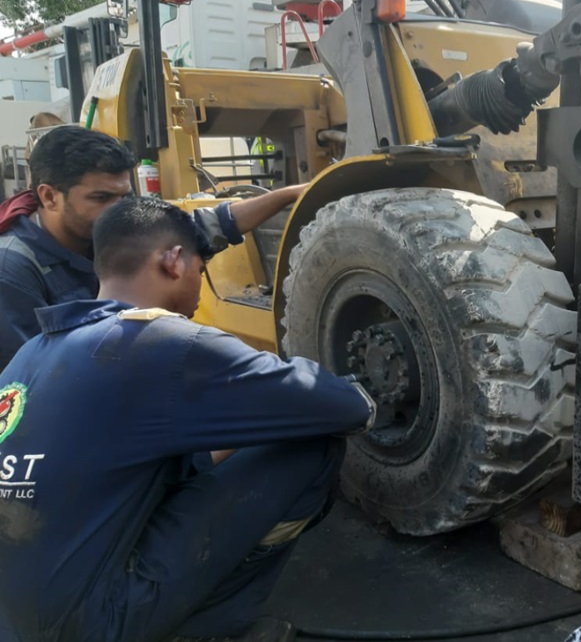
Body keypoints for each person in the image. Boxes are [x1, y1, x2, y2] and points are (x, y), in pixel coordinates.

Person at [0, 196, 376, 642]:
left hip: (13, 621)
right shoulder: (158, 340)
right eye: (201, 268)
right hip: (92, 626)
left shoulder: (34, 352)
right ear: (174, 261)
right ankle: (213, 625)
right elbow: (344, 408)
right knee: (313, 448)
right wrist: (354, 389)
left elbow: (155, 460)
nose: (200, 285)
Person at [0, 125, 307, 369]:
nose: (119, 209)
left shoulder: (107, 229)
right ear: (49, 196)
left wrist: (290, 194)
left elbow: (209, 224)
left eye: (124, 197)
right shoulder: (12, 270)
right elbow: (27, 385)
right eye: (102, 198)